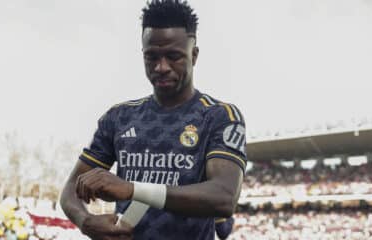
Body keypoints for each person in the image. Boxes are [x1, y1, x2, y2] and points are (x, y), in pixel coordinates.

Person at [60, 0, 247, 239]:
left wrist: (132, 189)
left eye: (173, 56)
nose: (161, 67)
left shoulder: (219, 116)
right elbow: (70, 189)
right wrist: (85, 221)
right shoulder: (118, 117)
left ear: (194, 55)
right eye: (151, 57)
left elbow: (224, 197)